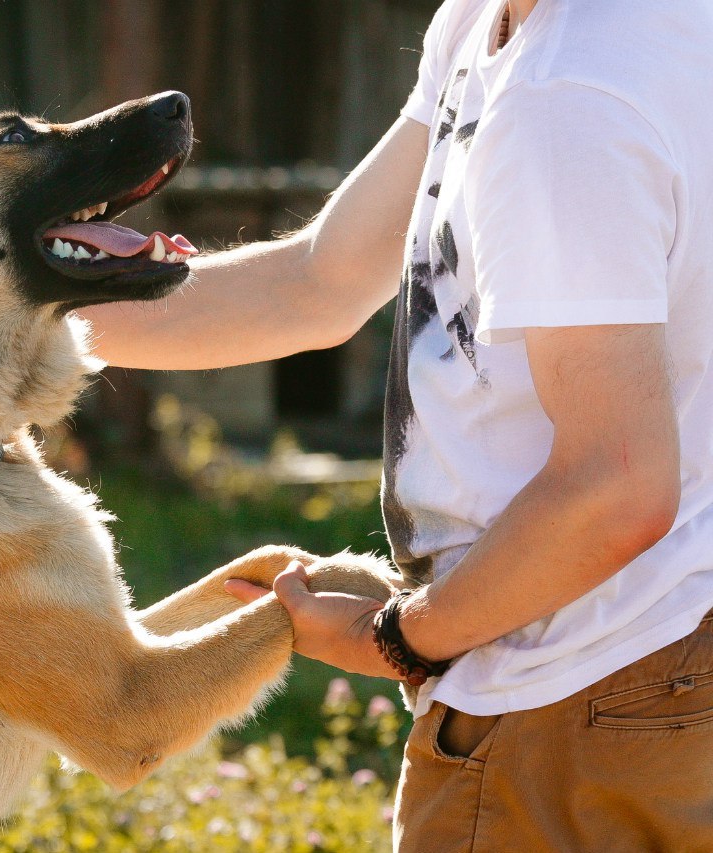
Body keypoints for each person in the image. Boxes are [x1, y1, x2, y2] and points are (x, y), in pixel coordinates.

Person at [80, 0, 713, 848]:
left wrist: (406, 637)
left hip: (582, 693)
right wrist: (4, 325)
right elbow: (317, 282)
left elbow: (618, 484)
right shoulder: (496, 26)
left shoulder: (564, 94)